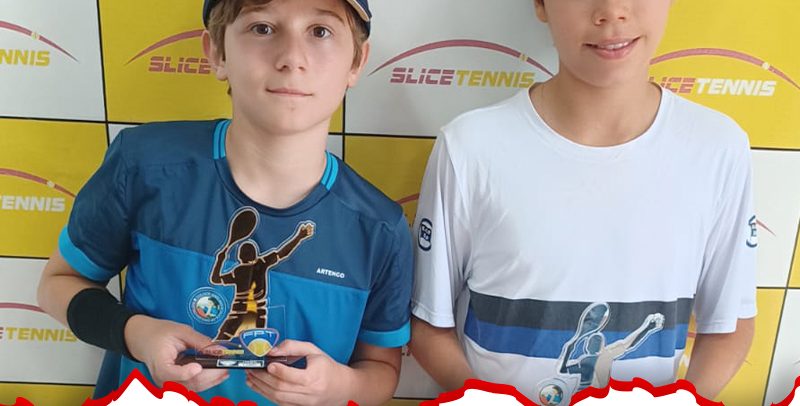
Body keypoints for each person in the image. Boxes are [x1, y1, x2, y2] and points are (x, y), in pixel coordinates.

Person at [37, 0, 413, 404]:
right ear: (217, 52)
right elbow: (58, 284)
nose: (292, 58)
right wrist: (138, 334)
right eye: (263, 28)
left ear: (356, 62)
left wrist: (339, 387)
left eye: (320, 31)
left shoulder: (380, 229)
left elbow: (381, 367)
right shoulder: (143, 165)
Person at [409, 0, 757, 403]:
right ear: (541, 5)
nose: (612, 11)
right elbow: (429, 323)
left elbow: (729, 324)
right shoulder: (470, 147)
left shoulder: (717, 148)